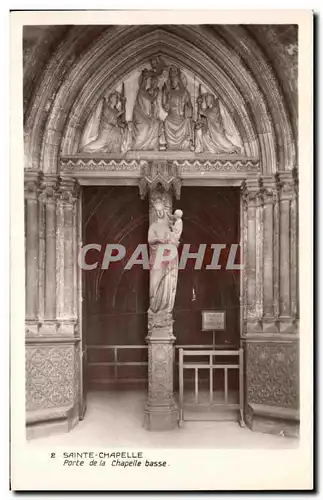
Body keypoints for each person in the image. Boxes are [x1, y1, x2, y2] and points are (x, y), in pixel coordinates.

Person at [161, 66, 194, 151]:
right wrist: (164, 93)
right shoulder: (170, 92)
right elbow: (166, 107)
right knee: (166, 122)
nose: (172, 82)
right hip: (171, 118)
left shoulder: (184, 92)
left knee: (187, 122)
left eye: (174, 80)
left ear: (178, 80)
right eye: (171, 81)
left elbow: (190, 107)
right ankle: (171, 146)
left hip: (181, 119)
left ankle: (185, 144)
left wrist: (188, 114)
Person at [132, 70, 163, 151]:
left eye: (155, 82)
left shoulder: (149, 92)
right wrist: (155, 91)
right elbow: (151, 99)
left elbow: (153, 105)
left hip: (147, 115)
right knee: (146, 125)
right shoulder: (142, 91)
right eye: (145, 81)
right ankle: (138, 145)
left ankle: (153, 145)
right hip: (139, 113)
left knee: (156, 123)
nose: (145, 83)